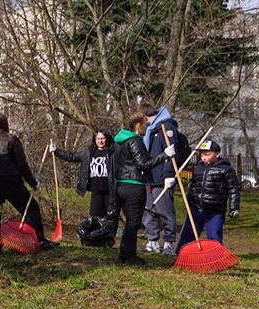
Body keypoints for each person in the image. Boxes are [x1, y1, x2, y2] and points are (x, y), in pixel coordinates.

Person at [0, 113, 57, 255]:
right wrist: (33, 182)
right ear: (4, 124)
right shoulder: (11, 139)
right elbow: (22, 165)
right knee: (31, 208)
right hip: (9, 182)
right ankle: (39, 241)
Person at [107, 112, 175, 266]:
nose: (147, 126)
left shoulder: (119, 141)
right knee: (133, 222)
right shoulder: (135, 141)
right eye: (145, 124)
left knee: (130, 223)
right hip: (134, 187)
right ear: (138, 126)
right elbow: (142, 164)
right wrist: (164, 155)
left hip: (121, 186)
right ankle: (129, 256)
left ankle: (124, 254)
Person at [175, 140, 240, 254]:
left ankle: (216, 258)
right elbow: (194, 186)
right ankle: (181, 256)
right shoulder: (198, 167)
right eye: (202, 154)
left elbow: (233, 189)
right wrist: (189, 200)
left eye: (207, 154)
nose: (204, 157)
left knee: (214, 235)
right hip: (196, 208)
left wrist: (234, 207)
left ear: (217, 154)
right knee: (188, 233)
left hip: (215, 210)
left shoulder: (226, 170)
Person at [138, 103, 180, 256]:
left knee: (165, 211)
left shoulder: (166, 127)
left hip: (161, 178)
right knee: (149, 211)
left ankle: (169, 243)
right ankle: (153, 240)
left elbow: (172, 154)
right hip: (148, 176)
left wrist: (169, 175)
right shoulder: (150, 129)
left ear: (145, 117)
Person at [49, 129, 115, 218]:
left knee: (110, 217)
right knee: (95, 217)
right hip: (96, 190)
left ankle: (108, 232)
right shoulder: (88, 153)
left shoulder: (112, 152)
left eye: (102, 138)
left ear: (107, 139)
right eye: (98, 139)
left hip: (110, 189)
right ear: (95, 140)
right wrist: (56, 151)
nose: (100, 141)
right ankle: (96, 232)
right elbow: (71, 156)